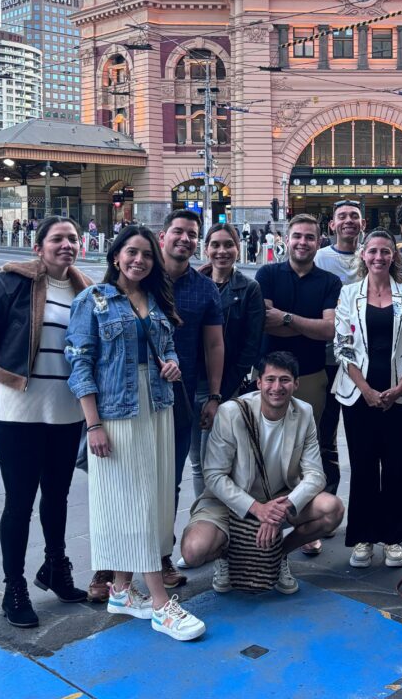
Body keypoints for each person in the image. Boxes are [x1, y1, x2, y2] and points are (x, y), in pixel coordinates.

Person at [65, 226, 205, 642]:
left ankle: (122, 590)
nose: (139, 260)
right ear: (115, 256)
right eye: (131, 252)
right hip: (117, 414)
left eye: (146, 254)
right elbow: (79, 365)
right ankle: (160, 602)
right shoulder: (91, 301)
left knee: (156, 498)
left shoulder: (158, 300)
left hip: (158, 408)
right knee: (138, 501)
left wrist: (172, 365)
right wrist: (93, 424)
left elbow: (168, 348)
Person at [0, 217, 93, 628]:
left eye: (73, 238)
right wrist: (7, 382)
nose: (66, 245)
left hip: (66, 413)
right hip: (16, 414)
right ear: (38, 247)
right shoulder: (10, 283)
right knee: (19, 504)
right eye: (57, 238)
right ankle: (14, 587)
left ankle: (55, 568)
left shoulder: (86, 291)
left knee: (56, 499)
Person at [179, 351, 344, 595]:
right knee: (193, 551)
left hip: (279, 496)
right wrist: (257, 509)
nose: (277, 387)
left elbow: (315, 475)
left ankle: (276, 555)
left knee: (333, 509)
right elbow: (214, 476)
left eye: (285, 380)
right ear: (259, 382)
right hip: (229, 501)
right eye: (270, 379)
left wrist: (281, 510)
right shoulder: (230, 413)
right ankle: (226, 557)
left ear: (296, 384)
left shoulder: (304, 412)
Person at [333, 229, 402, 569]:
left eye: (385, 251)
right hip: (359, 396)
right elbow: (342, 345)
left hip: (400, 395)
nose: (379, 257)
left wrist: (400, 386)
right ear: (363, 255)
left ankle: (393, 538)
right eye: (373, 251)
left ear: (394, 257)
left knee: (398, 465)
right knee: (364, 466)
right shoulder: (348, 294)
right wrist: (368, 391)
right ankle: (363, 538)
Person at [256, 214, 342, 555]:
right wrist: (307, 325)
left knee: (310, 451)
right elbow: (265, 322)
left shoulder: (329, 281)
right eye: (297, 236)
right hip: (269, 379)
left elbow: (328, 331)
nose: (302, 242)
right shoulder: (267, 274)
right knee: (266, 450)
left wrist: (288, 319)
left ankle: (304, 523)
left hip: (311, 375)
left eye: (309, 237)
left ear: (318, 241)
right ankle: (265, 521)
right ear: (285, 239)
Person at [153, 210, 224, 588]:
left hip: (182, 398)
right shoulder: (141, 277)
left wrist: (213, 395)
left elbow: (214, 343)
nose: (185, 239)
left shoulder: (204, 288)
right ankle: (111, 564)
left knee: (171, 480)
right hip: (134, 397)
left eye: (191, 234)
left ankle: (162, 556)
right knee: (126, 480)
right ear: (162, 235)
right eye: (178, 231)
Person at [191, 222, 264, 498]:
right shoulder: (192, 284)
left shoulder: (249, 288)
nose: (222, 251)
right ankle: (202, 518)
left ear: (238, 248)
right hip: (190, 383)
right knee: (197, 462)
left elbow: (250, 345)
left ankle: (219, 523)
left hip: (225, 386)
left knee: (217, 462)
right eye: (215, 245)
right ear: (206, 249)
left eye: (228, 245)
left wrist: (220, 392)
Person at [314, 199, 366, 499]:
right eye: (342, 216)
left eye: (354, 216)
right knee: (324, 434)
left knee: (362, 436)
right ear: (332, 225)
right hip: (326, 362)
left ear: (363, 224)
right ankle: (325, 500)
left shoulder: (372, 255)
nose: (348, 220)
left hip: (366, 363)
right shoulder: (319, 258)